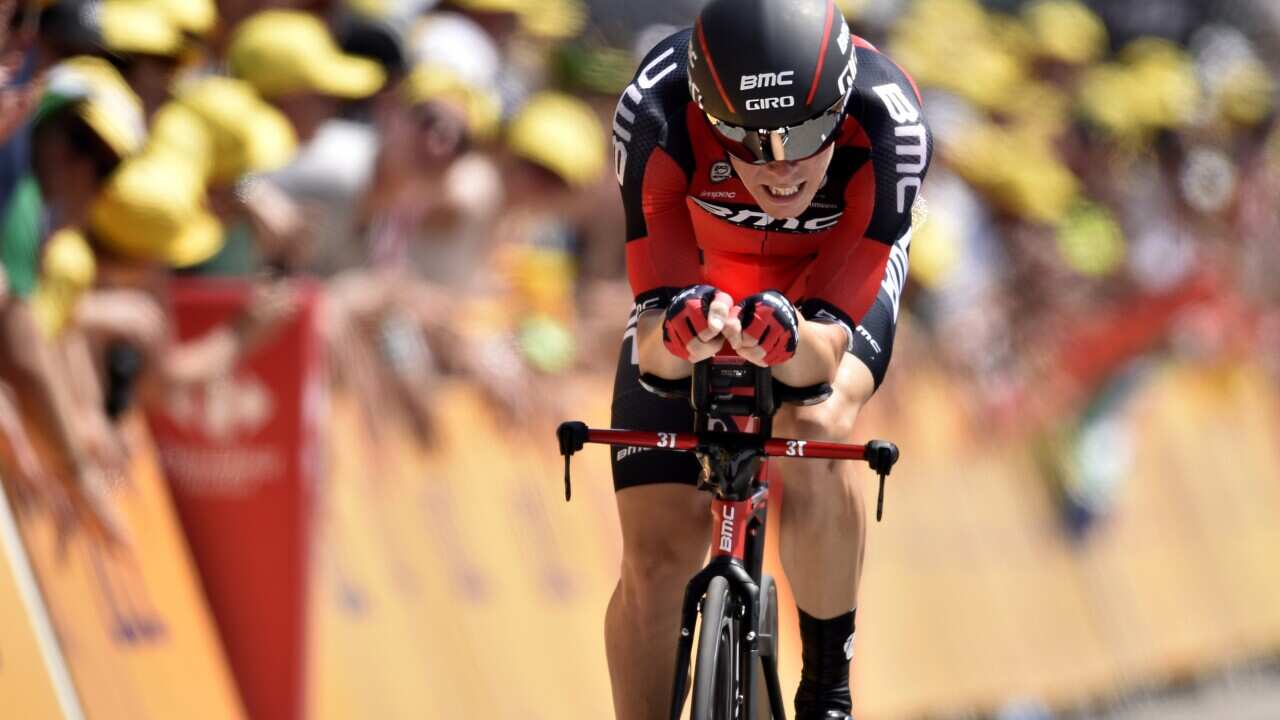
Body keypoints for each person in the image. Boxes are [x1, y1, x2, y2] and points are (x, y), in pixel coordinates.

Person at [603, 1, 932, 718]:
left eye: (808, 133)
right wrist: (683, 332)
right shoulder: (653, 111)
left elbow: (823, 356)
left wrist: (787, 340)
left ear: (840, 103)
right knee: (656, 558)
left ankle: (827, 688)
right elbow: (656, 345)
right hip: (702, 276)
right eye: (744, 140)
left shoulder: (890, 125)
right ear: (704, 109)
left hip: (824, 283)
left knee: (817, 421)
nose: (780, 166)